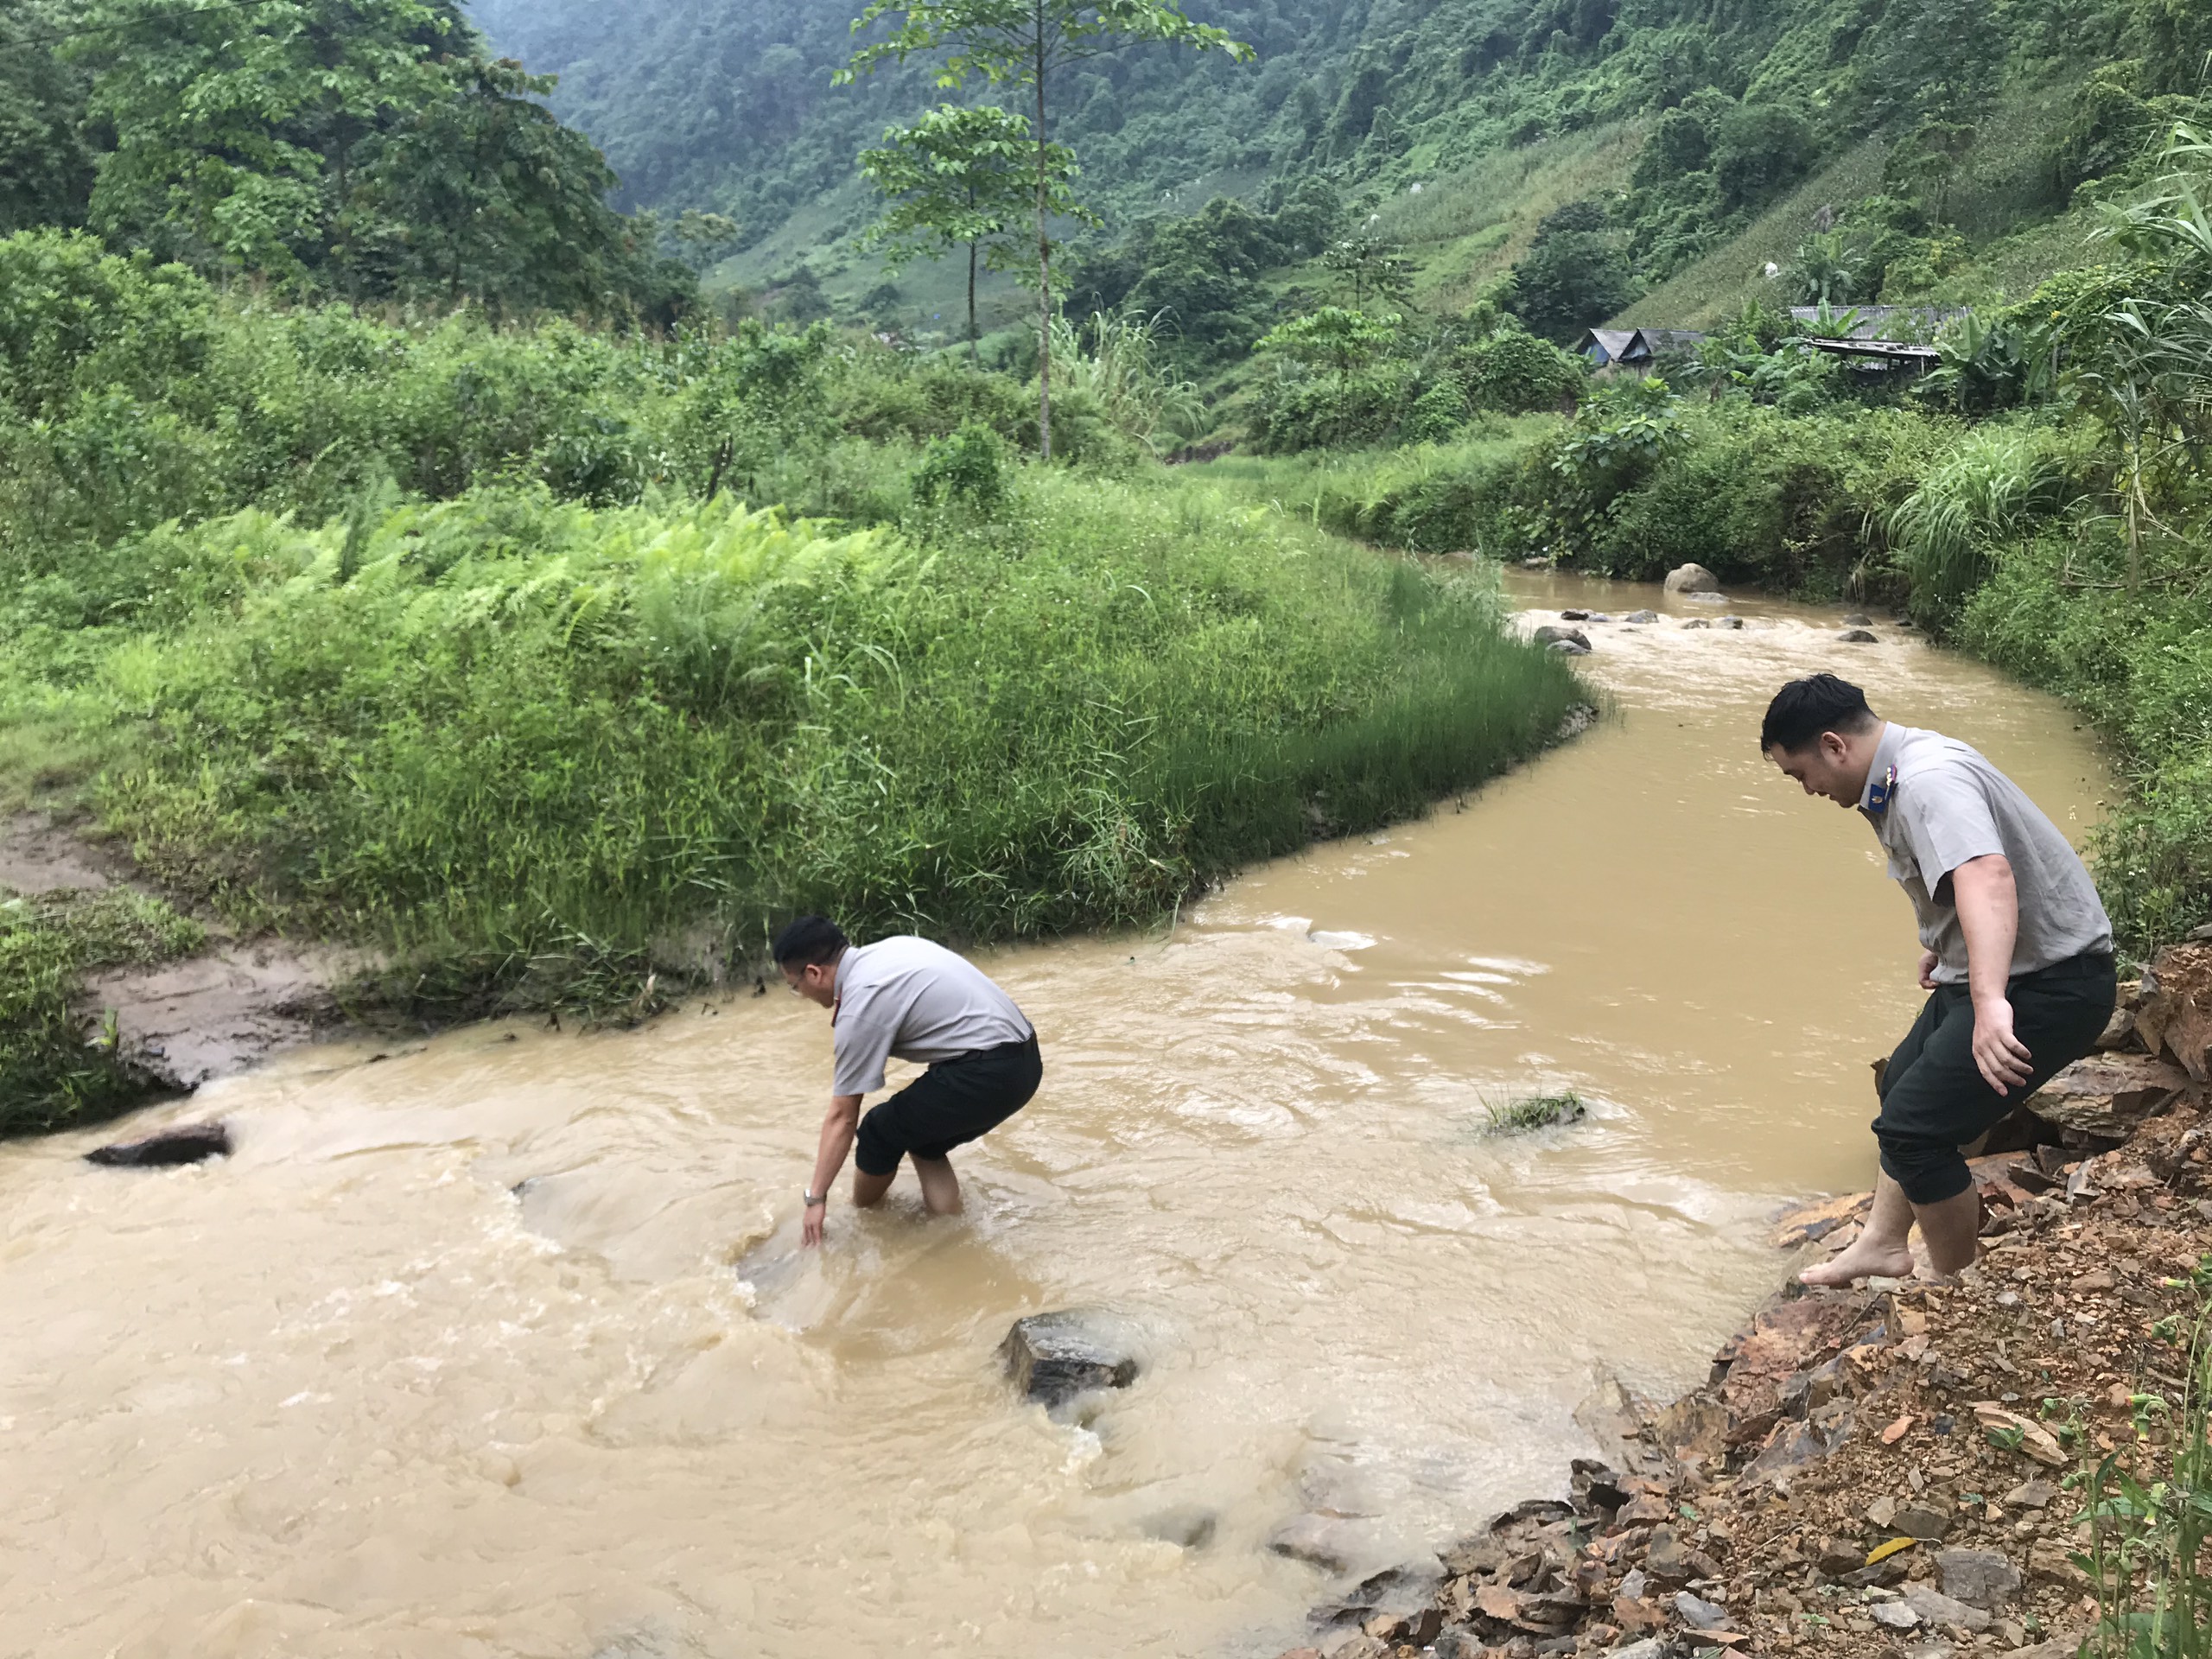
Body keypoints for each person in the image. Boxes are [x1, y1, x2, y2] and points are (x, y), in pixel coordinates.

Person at [1761, 674, 2116, 1285]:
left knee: (1915, 1133)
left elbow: (1986, 874)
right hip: (2020, 967)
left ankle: (1956, 1291)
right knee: (1900, 1084)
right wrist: (1947, 945)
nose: (1807, 790)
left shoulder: (1927, 780)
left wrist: (1989, 999)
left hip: (2054, 984)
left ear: (1833, 745)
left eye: (1800, 774)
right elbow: (1959, 881)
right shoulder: (1900, 771)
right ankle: (1883, 1243)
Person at [773, 916, 1041, 1248]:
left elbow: (842, 1116)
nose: (800, 995)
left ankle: (866, 1223)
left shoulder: (861, 1002)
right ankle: (950, 1233)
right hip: (1026, 1062)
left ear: (814, 973)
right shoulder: (890, 950)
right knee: (924, 1140)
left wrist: (815, 1200)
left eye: (794, 986)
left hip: (989, 1071)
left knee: (878, 1131)